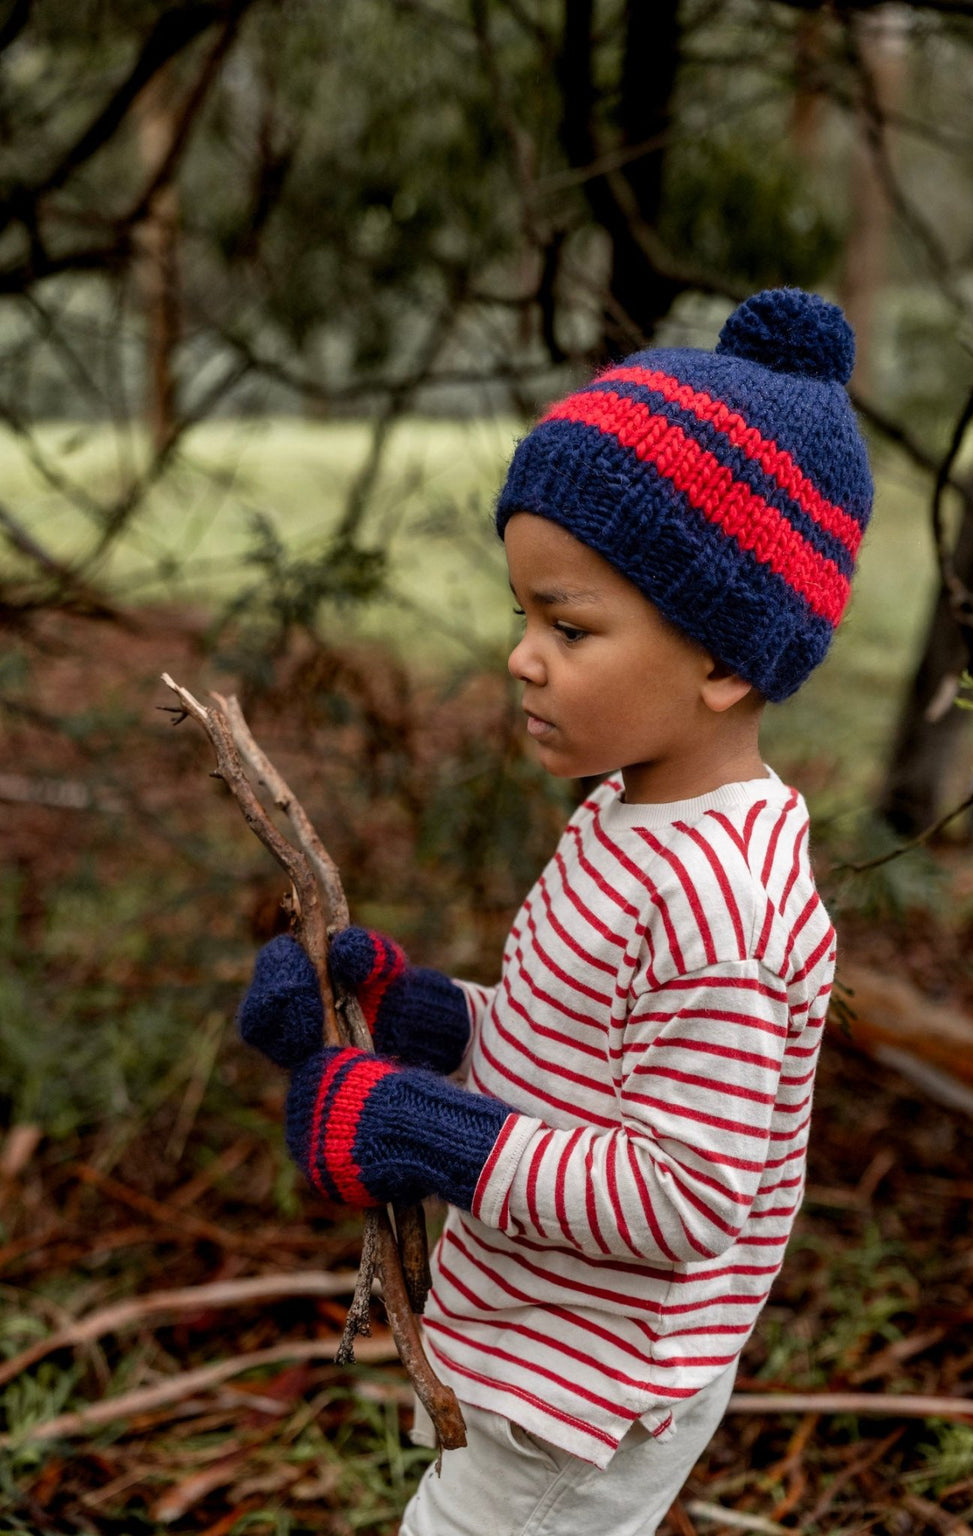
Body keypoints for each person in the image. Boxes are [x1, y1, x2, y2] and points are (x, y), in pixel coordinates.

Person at [238, 286, 873, 1536]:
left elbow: (682, 1194)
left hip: (597, 1386)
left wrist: (429, 1132)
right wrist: (419, 1016)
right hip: (544, 1339)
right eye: (520, 614)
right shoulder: (630, 816)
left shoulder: (721, 902)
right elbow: (578, 1059)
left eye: (569, 627)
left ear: (724, 659)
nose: (522, 656)